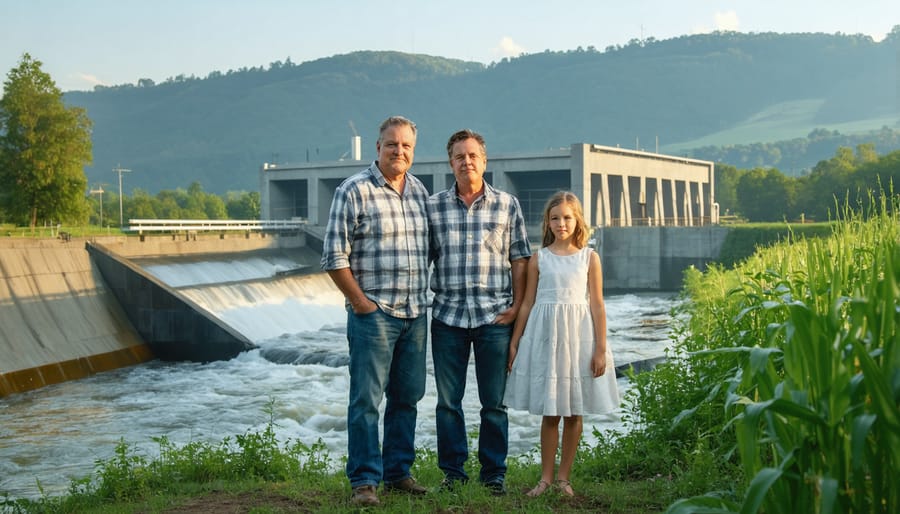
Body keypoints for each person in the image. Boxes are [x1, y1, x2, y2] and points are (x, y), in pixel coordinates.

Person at [320, 115, 430, 507]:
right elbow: (333, 256)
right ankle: (365, 481)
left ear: (413, 152)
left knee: (407, 397)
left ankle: (398, 473)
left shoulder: (418, 192)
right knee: (366, 400)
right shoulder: (353, 190)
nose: (398, 151)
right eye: (392, 144)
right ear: (378, 147)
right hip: (375, 315)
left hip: (416, 314)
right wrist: (361, 304)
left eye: (406, 146)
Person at [427, 129, 531, 495]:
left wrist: (517, 307)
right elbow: (421, 258)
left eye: (473, 155)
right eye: (459, 156)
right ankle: (453, 474)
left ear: (484, 161)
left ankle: (493, 475)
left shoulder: (507, 205)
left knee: (494, 404)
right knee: (447, 404)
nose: (466, 161)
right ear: (450, 162)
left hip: (493, 318)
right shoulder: (433, 206)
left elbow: (520, 259)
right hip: (447, 318)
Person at [504, 191, 619, 498]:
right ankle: (544, 478)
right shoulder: (539, 258)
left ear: (577, 219)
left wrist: (599, 348)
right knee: (550, 411)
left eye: (567, 217)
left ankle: (563, 478)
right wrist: (516, 342)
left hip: (579, 338)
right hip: (546, 338)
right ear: (548, 222)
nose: (561, 223)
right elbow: (527, 303)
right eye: (555, 218)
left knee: (574, 411)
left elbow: (597, 305)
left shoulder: (589, 258)